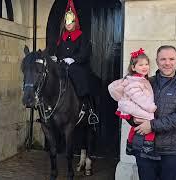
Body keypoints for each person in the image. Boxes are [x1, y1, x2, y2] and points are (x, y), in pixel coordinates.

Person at [133, 45, 176, 180]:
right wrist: (133, 119)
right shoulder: (144, 83)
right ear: (156, 61)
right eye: (163, 59)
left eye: (171, 59)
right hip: (145, 149)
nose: (167, 63)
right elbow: (131, 106)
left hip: (170, 151)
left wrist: (152, 125)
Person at [49, 0, 98, 175]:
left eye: (71, 22)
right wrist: (57, 59)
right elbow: (58, 53)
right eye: (66, 22)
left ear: (75, 22)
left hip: (78, 67)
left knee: (79, 77)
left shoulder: (82, 36)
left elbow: (85, 53)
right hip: (64, 67)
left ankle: (88, 108)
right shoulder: (60, 38)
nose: (69, 24)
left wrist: (74, 59)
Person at [108, 48, 160, 160]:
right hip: (134, 107)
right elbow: (138, 97)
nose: (145, 67)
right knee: (150, 121)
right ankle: (148, 146)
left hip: (134, 107)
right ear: (133, 67)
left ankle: (130, 144)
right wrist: (151, 107)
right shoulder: (135, 81)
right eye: (141, 65)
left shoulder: (140, 79)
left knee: (135, 127)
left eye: (146, 64)